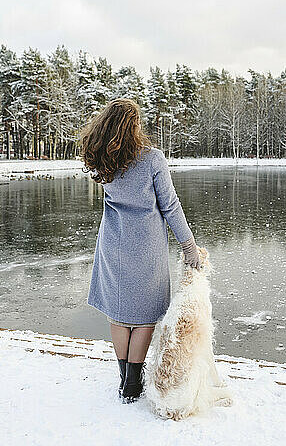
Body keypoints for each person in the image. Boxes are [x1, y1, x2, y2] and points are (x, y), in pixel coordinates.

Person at [80, 98, 201, 404]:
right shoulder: (151, 159)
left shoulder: (101, 160)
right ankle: (134, 382)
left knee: (120, 315)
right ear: (133, 126)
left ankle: (125, 380)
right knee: (145, 316)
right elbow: (170, 206)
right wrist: (189, 247)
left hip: (113, 243)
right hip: (146, 247)